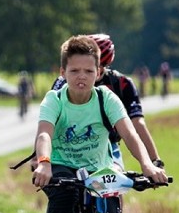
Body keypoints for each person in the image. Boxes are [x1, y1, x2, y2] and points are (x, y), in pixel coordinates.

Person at [31, 35, 168, 213]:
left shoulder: (107, 98)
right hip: (60, 166)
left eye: (88, 71)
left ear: (99, 72)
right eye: (74, 71)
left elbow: (130, 134)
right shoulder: (54, 99)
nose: (81, 76)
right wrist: (44, 164)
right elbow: (44, 134)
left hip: (99, 167)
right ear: (63, 72)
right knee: (64, 196)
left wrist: (148, 166)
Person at [50, 33, 164, 170]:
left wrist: (154, 161)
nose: (83, 76)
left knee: (114, 179)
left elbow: (136, 125)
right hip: (66, 150)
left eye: (92, 69)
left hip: (108, 146)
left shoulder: (122, 84)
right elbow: (48, 123)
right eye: (76, 70)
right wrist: (38, 158)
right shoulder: (63, 82)